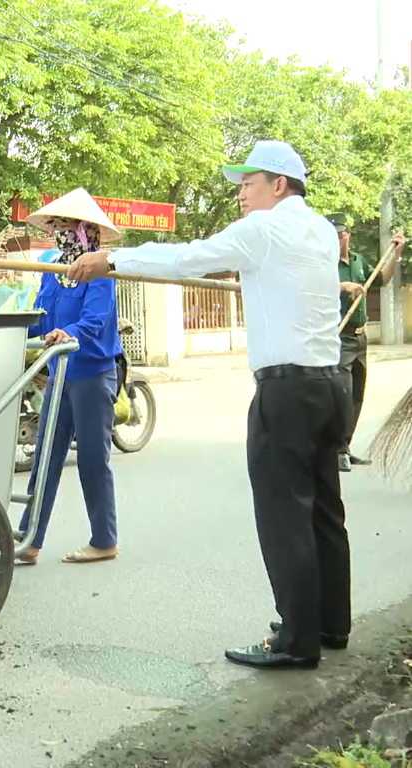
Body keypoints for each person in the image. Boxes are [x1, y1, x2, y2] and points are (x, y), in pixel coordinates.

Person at [69, 140, 350, 671]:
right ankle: (329, 623)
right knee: (323, 511)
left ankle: (297, 640)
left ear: (279, 185)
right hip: (330, 387)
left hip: (286, 392)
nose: (242, 193)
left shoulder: (265, 229)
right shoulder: (318, 230)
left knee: (284, 515)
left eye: (249, 183)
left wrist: (112, 259)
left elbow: (187, 256)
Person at [16, 188, 124, 565]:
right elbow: (39, 316)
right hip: (60, 374)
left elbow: (94, 321)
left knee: (94, 459)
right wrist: (6, 329)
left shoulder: (100, 273)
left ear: (84, 230)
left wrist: (69, 332)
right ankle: (29, 539)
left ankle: (104, 539)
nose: (58, 231)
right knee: (46, 454)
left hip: (93, 375)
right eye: (55, 225)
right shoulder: (51, 269)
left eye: (65, 225)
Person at [328, 212, 407, 472]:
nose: (340, 238)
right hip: (338, 336)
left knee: (357, 396)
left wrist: (395, 254)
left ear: (349, 234)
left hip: (360, 338)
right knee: (342, 394)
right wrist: (343, 286)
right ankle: (336, 449)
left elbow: (380, 280)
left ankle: (346, 447)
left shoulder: (359, 261)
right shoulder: (325, 265)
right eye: (334, 235)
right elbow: (312, 288)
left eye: (343, 233)